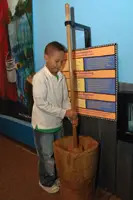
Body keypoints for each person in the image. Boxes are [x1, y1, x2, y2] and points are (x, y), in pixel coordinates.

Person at [32, 41, 77, 193]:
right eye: (56, 61)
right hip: (43, 125)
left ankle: (53, 176)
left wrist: (71, 114)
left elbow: (65, 99)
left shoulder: (61, 78)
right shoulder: (40, 78)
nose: (60, 65)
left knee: (57, 154)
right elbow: (41, 104)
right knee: (46, 156)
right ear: (46, 57)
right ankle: (45, 181)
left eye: (62, 61)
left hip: (57, 124)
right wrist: (65, 113)